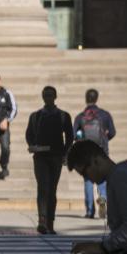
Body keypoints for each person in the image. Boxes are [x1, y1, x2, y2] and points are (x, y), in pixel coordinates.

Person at [24, 86, 73, 235]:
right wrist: (32, 146)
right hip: (40, 157)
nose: (48, 97)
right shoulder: (36, 116)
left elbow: (70, 137)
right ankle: (42, 221)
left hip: (56, 156)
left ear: (55, 96)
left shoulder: (63, 115)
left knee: (52, 190)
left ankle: (50, 223)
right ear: (42, 97)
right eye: (45, 95)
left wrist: (64, 153)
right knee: (43, 188)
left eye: (51, 95)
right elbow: (29, 135)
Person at [73, 89, 116, 219]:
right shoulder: (105, 115)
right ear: (96, 98)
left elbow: (74, 135)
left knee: (88, 181)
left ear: (86, 99)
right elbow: (113, 132)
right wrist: (105, 139)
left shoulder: (80, 116)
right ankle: (102, 197)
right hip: (102, 152)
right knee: (102, 179)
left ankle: (90, 211)